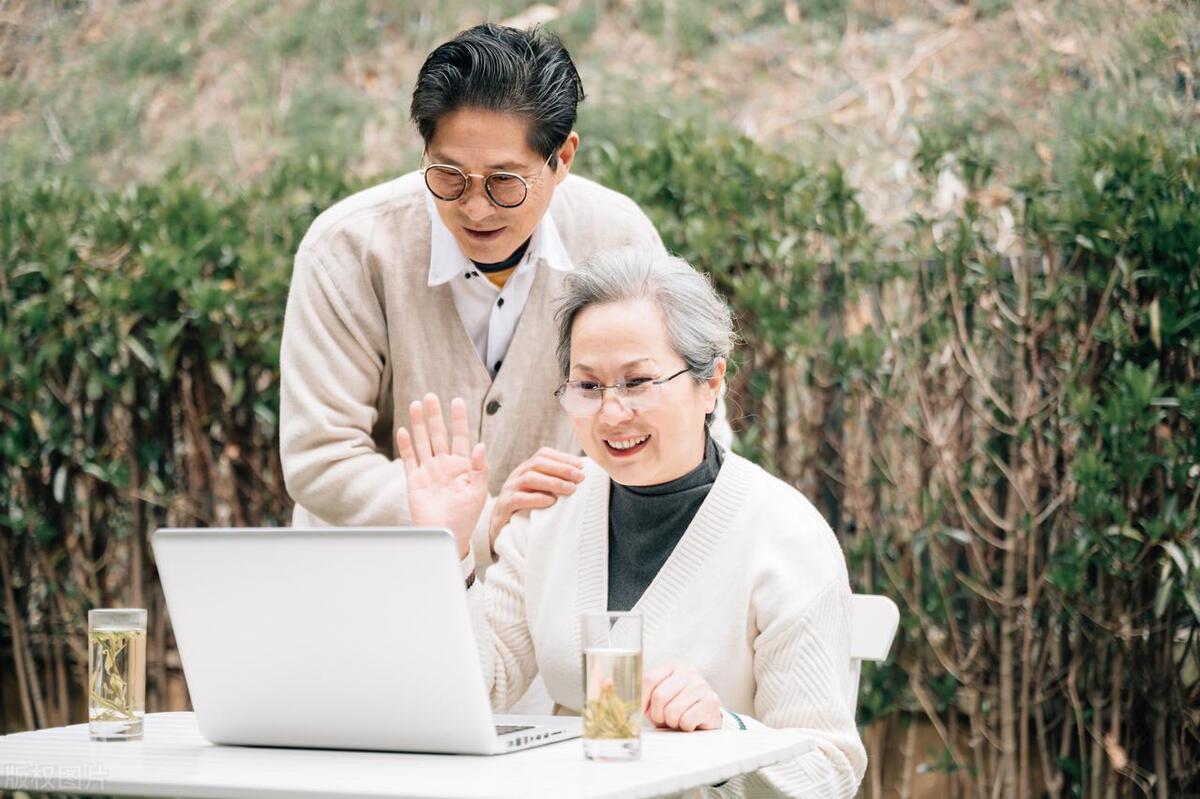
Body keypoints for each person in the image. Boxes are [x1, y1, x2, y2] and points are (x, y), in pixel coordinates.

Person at [394, 248, 867, 798]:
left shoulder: (784, 537)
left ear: (711, 382)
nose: (612, 413)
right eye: (588, 386)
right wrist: (448, 546)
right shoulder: (554, 507)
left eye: (638, 382)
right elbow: (480, 694)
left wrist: (726, 735)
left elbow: (829, 773)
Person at [278, 23, 730, 573]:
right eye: (448, 176)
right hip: (370, 582)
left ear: (562, 158)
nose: (475, 207)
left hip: (551, 577)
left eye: (504, 182)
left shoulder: (618, 238)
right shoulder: (348, 249)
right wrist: (480, 520)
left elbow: (689, 422)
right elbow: (320, 460)